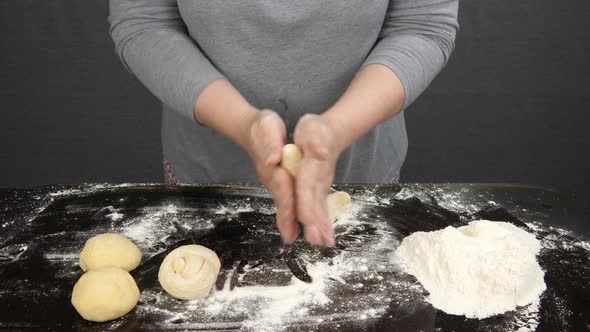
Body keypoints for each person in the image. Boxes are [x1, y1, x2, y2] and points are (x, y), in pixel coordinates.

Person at [109, 0, 459, 247]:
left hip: (362, 171)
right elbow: (145, 23)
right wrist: (243, 124)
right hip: (206, 177)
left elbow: (422, 25)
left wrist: (338, 128)